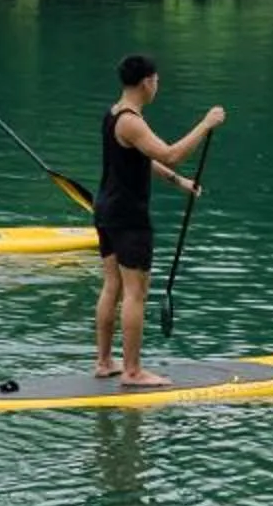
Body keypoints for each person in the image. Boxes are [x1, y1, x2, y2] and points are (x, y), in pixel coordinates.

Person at [92, 54, 223, 387]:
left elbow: (143, 157)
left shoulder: (114, 114)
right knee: (136, 294)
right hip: (128, 217)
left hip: (106, 209)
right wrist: (205, 124)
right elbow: (169, 153)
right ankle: (133, 372)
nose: (158, 86)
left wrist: (177, 182)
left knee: (113, 286)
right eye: (157, 81)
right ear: (146, 82)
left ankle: (105, 362)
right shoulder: (133, 121)